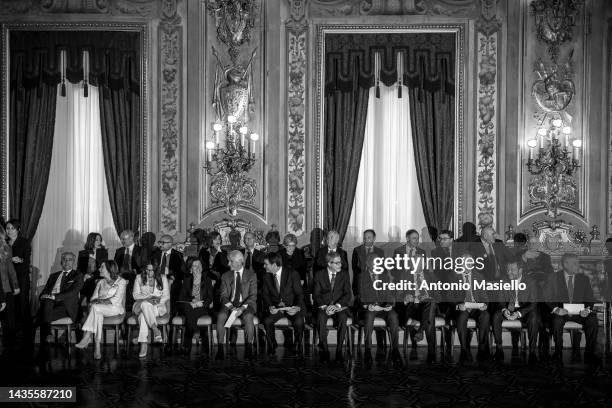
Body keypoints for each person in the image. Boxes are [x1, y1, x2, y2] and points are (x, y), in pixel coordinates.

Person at [544, 253, 599, 364]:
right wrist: (556, 309)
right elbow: (546, 297)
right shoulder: (553, 277)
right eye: (575, 263)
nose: (578, 265)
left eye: (577, 263)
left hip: (579, 313)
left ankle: (589, 353)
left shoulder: (583, 278)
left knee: (593, 320)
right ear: (565, 264)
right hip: (561, 312)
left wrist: (587, 310)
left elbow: (590, 298)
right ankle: (558, 353)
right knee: (556, 320)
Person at [394, 229, 437, 362]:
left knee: (431, 304)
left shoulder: (429, 276)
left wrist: (429, 296)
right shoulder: (405, 275)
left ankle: (428, 347)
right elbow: (398, 291)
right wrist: (406, 297)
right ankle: (422, 332)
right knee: (429, 319)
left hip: (425, 305)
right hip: (412, 306)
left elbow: (437, 293)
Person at [491, 258, 540, 364]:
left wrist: (518, 313)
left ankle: (532, 352)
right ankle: (499, 349)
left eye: (512, 270)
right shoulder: (504, 280)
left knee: (534, 317)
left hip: (525, 310)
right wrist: (504, 310)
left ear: (520, 270)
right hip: (509, 308)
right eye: (508, 270)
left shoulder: (530, 281)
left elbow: (533, 303)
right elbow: (500, 300)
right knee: (496, 316)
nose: (509, 272)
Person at [75, 261, 127, 359]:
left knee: (95, 308)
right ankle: (97, 347)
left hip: (115, 309)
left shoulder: (121, 281)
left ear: (109, 269)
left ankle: (87, 336)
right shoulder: (100, 282)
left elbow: (116, 300)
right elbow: (93, 298)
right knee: (96, 311)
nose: (99, 269)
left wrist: (99, 301)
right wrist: (96, 301)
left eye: (102, 267)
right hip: (99, 309)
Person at [216, 250, 257, 360]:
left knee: (248, 316)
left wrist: (242, 308)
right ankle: (220, 348)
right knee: (221, 316)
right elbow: (223, 295)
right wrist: (231, 307)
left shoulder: (251, 275)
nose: (228, 264)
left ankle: (249, 348)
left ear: (239, 262)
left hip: (246, 305)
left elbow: (253, 296)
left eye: (231, 261)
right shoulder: (225, 275)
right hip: (230, 304)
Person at [262, 252, 305, 356]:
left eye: (266, 264)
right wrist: (270, 306)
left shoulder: (292, 273)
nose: (264, 266)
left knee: (299, 321)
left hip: (292, 307)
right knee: (267, 321)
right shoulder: (266, 276)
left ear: (274, 265)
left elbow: (299, 294)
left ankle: (297, 344)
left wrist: (297, 307)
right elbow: (265, 295)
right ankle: (272, 344)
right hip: (277, 309)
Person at [359, 252, 400, 363]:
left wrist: (389, 305)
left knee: (394, 316)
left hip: (382, 308)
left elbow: (389, 294)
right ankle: (368, 350)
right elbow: (360, 295)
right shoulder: (362, 277)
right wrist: (369, 305)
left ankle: (395, 350)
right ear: (369, 264)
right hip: (370, 307)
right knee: (369, 316)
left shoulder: (384, 276)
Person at [451, 252, 490, 364]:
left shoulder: (479, 276)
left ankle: (482, 349)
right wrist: (458, 305)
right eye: (465, 262)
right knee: (462, 316)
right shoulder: (454, 276)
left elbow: (484, 296)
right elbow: (449, 296)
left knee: (485, 315)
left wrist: (485, 304)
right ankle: (464, 350)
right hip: (462, 307)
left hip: (476, 307)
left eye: (470, 262)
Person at [313, 251, 352, 363]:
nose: (340, 265)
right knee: (320, 318)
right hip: (323, 307)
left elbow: (347, 294)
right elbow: (316, 294)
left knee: (343, 318)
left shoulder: (344, 274)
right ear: (329, 264)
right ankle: (324, 350)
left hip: (339, 307)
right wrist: (326, 307)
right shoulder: (319, 274)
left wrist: (337, 306)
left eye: (340, 262)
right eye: (337, 263)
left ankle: (339, 350)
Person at [37, 252, 83, 344]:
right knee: (47, 302)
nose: (66, 261)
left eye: (69, 260)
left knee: (40, 317)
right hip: (50, 305)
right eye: (64, 259)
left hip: (66, 306)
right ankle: (48, 334)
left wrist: (54, 297)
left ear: (73, 262)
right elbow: (45, 291)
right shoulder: (53, 276)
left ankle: (46, 337)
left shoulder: (77, 275)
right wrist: (43, 296)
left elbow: (72, 292)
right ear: (61, 262)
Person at [176, 257, 213, 355]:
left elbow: (210, 298)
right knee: (189, 308)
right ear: (190, 269)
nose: (198, 267)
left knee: (190, 315)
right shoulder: (187, 279)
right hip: (189, 305)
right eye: (195, 266)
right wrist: (193, 300)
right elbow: (181, 297)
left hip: (202, 307)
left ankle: (187, 345)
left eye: (199, 265)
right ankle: (197, 331)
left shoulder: (207, 279)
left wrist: (201, 304)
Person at [132, 263, 170, 358]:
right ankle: (155, 329)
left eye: (152, 270)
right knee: (145, 304)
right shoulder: (139, 277)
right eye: (147, 270)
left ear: (156, 269)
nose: (149, 272)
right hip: (141, 305)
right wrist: (149, 298)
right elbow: (135, 295)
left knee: (142, 316)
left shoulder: (163, 278)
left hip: (158, 307)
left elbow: (166, 295)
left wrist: (157, 300)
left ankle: (143, 343)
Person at [6, 220, 31, 329]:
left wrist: (20, 260)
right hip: (6, 279)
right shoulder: (3, 242)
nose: (10, 231)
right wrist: (10, 259)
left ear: (18, 230)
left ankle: (24, 333)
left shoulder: (24, 242)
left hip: (21, 278)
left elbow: (27, 262)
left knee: (22, 306)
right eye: (8, 228)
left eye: (12, 228)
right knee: (9, 306)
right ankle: (10, 333)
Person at [151, 235, 184, 315]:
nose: (160, 245)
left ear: (170, 244)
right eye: (160, 242)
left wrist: (172, 278)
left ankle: (170, 316)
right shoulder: (155, 254)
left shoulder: (178, 255)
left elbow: (181, 271)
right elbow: (151, 268)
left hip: (171, 280)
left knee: (173, 287)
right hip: (157, 279)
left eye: (163, 243)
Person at [351, 229, 384, 308]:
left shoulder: (380, 251)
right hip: (360, 283)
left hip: (375, 281)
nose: (366, 240)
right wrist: (366, 275)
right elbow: (354, 268)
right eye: (364, 237)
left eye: (369, 237)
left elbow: (382, 267)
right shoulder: (357, 250)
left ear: (374, 238)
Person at [114, 229, 147, 311]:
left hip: (135, 275)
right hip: (121, 276)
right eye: (121, 239)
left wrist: (137, 272)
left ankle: (129, 311)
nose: (121, 241)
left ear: (131, 238)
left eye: (123, 239)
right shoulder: (119, 251)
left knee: (130, 284)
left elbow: (145, 266)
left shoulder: (141, 250)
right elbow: (114, 267)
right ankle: (117, 309)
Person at [0, 224, 20, 349]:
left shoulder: (6, 248)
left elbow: (11, 270)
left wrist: (16, 285)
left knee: (9, 319)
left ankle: (10, 347)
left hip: (6, 288)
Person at [77, 232, 109, 301]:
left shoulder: (103, 252)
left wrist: (91, 275)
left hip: (97, 277)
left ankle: (90, 303)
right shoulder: (83, 253)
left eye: (100, 240)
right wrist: (83, 276)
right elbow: (80, 268)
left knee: (92, 284)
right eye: (97, 240)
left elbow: (102, 268)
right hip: (85, 277)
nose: (99, 242)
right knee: (79, 290)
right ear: (91, 240)